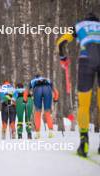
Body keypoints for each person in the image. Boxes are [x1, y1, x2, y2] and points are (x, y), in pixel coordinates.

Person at [56, 13, 100, 157]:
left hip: (86, 60)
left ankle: (84, 143)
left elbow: (61, 42)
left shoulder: (79, 25)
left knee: (84, 105)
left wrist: (63, 58)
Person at [24, 74, 59, 139]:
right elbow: (56, 91)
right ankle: (51, 133)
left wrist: (25, 100)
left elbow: (26, 91)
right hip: (47, 89)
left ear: (35, 77)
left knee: (37, 113)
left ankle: (38, 134)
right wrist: (56, 98)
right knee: (47, 113)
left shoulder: (33, 81)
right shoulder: (47, 80)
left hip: (37, 90)